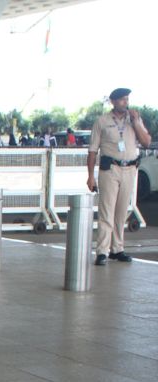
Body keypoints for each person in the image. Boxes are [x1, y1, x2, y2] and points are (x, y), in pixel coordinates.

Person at [88, 87, 152, 265]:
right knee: (107, 211)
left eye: (127, 99)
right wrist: (90, 176)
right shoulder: (102, 121)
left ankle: (117, 248)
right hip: (110, 169)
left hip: (129, 169)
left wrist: (136, 122)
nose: (126, 102)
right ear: (113, 101)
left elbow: (146, 142)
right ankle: (102, 251)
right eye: (123, 99)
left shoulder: (134, 120)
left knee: (122, 211)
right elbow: (92, 151)